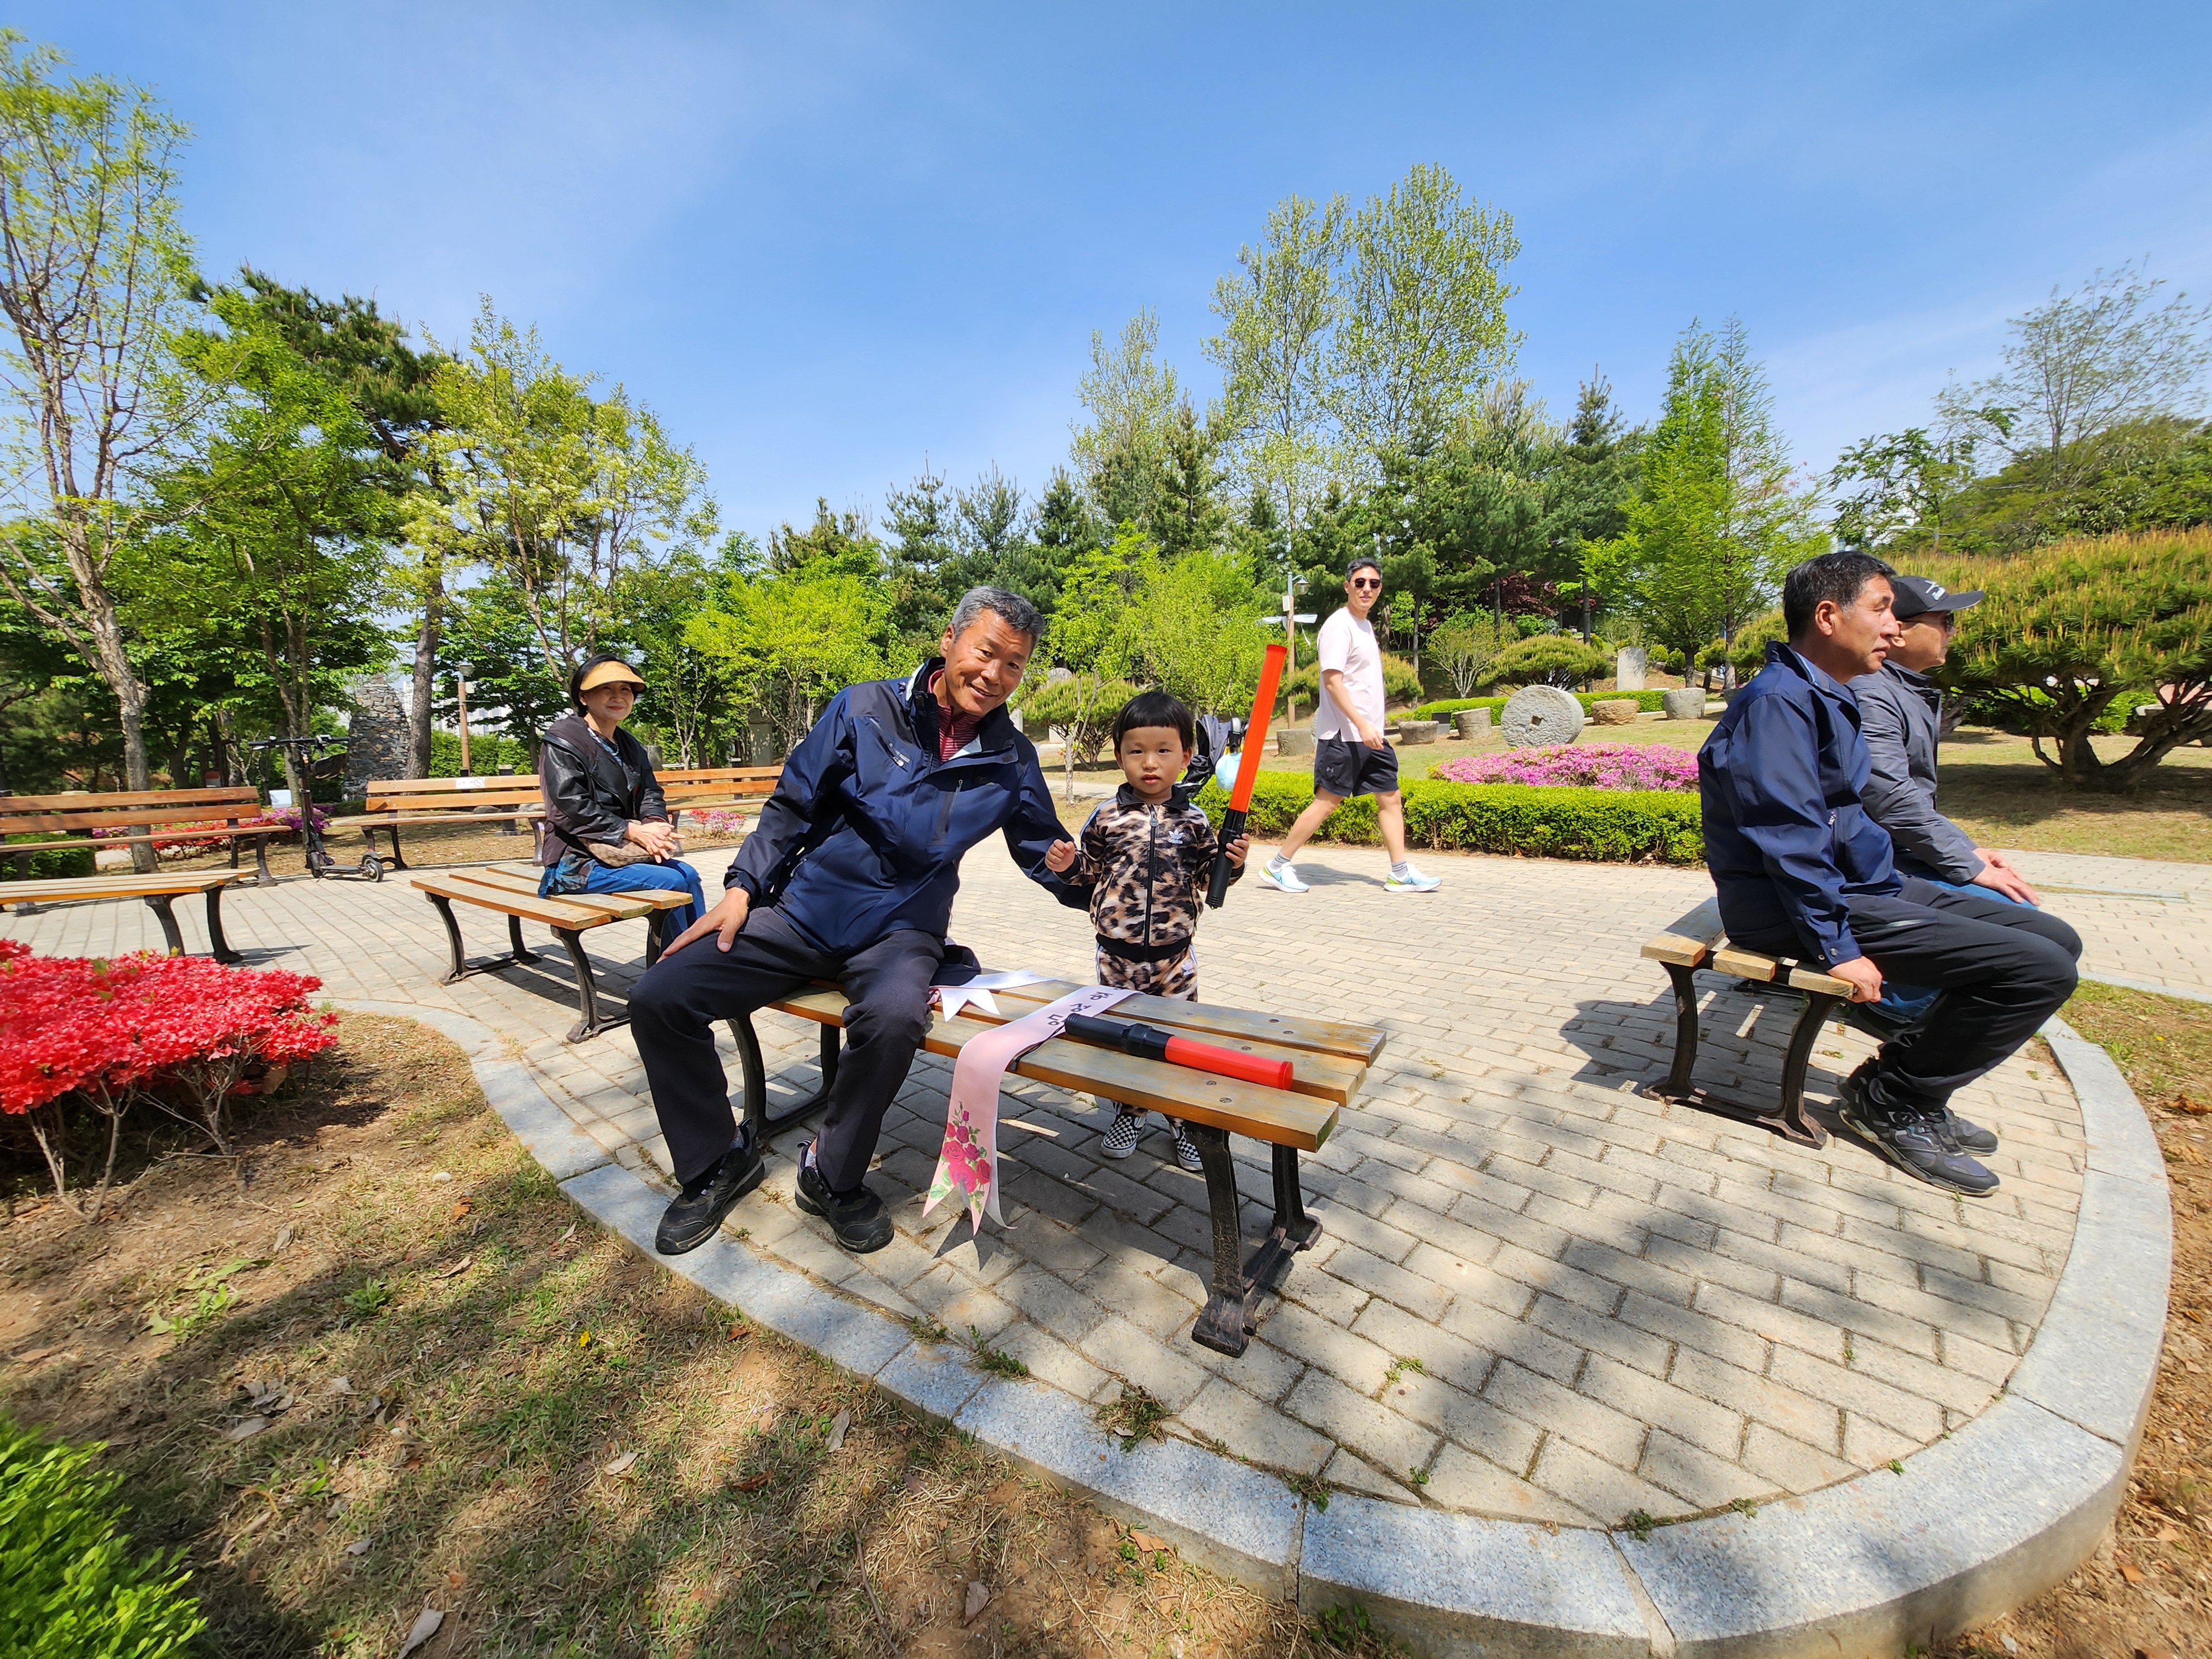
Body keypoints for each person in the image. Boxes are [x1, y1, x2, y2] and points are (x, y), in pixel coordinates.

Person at [627, 588, 1077, 1258]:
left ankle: (830, 1173)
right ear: (949, 639)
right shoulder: (864, 708)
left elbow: (1049, 853)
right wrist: (742, 888)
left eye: (1013, 665)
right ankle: (717, 1160)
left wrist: (1088, 874)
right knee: (659, 997)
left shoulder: (1011, 757)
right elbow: (792, 805)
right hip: (804, 913)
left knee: (894, 1018)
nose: (994, 675)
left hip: (902, 931)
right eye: (986, 652)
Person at [1699, 551, 2081, 1198]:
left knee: (2055, 940)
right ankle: (1896, 1098)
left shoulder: (1823, 693)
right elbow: (1789, 839)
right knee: (2037, 970)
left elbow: (1845, 820)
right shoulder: (1778, 704)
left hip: (1857, 891)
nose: (1894, 627)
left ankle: (1899, 1079)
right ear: (1828, 616)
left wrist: (1915, 883)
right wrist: (1837, 947)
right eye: (1881, 609)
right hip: (1789, 911)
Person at [1044, 690, 1250, 1173]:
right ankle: (1130, 1112)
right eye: (1136, 751)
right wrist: (1068, 864)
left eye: (1163, 750)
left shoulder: (1195, 821)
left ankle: (1181, 1118)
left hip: (1175, 958)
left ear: (1186, 756)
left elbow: (1209, 880)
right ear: (1119, 757)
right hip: (1115, 957)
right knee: (1125, 1040)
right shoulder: (1106, 816)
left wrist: (1233, 864)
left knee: (1178, 1039)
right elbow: (1090, 872)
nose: (1150, 763)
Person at [1257, 554, 1442, 895]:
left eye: (1374, 583)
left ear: (1380, 589)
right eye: (1360, 582)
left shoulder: (1365, 626)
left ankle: (1400, 873)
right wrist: (1362, 724)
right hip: (1344, 735)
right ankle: (1277, 866)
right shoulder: (1338, 627)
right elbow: (1332, 682)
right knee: (1327, 802)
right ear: (1347, 586)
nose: (1367, 589)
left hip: (1371, 736)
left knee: (1391, 798)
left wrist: (1373, 728)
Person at [1850, 576, 2038, 904]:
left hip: (1903, 852)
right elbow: (1890, 799)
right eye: (1945, 621)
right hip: (1879, 864)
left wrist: (1970, 849)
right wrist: (1969, 864)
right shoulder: (1871, 695)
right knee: (2025, 918)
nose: (1952, 632)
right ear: (1898, 632)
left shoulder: (1901, 690)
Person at [538, 655, 707, 933]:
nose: (618, 697)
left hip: (617, 853)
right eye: (606, 688)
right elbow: (567, 806)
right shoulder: (564, 740)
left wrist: (655, 823)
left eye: (625, 689)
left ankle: (700, 950)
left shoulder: (628, 744)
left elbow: (650, 792)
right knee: (672, 882)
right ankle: (676, 958)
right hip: (576, 862)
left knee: (687, 874)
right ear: (583, 696)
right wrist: (630, 830)